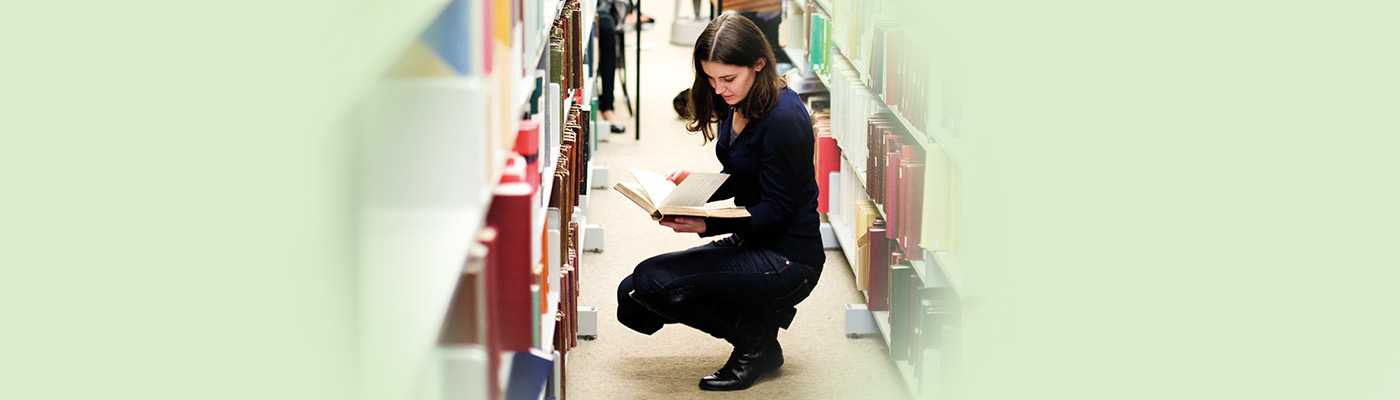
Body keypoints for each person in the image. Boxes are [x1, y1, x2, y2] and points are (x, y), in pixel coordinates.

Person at [615, 13, 824, 391]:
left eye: (728, 78)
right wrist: (695, 188)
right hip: (752, 240)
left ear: (759, 63)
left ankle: (755, 341)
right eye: (710, 78)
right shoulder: (740, 100)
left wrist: (709, 224)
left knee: (652, 283)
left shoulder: (784, 118)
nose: (719, 89)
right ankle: (760, 326)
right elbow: (748, 175)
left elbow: (777, 209)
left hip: (788, 258)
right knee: (631, 296)